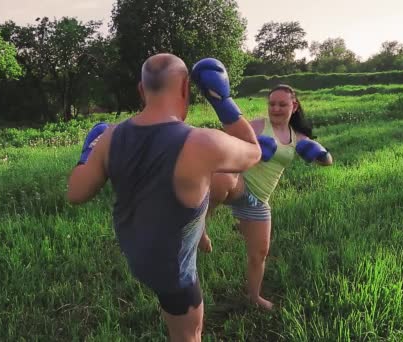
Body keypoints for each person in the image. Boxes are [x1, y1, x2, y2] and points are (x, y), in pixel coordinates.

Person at [66, 54, 276, 341]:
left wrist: (88, 151)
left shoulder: (111, 137)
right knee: (189, 334)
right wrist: (221, 100)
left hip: (138, 256)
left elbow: (75, 193)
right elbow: (253, 152)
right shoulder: (202, 142)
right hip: (176, 274)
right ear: (185, 88)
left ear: (142, 89)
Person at [197, 84, 334, 310]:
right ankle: (201, 225)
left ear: (294, 105)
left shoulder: (297, 137)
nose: (276, 108)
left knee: (259, 253)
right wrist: (250, 147)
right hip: (239, 184)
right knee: (222, 177)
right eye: (272, 103)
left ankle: (254, 297)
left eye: (282, 104)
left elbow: (327, 163)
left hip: (258, 199)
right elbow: (226, 139)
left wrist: (320, 152)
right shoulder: (259, 126)